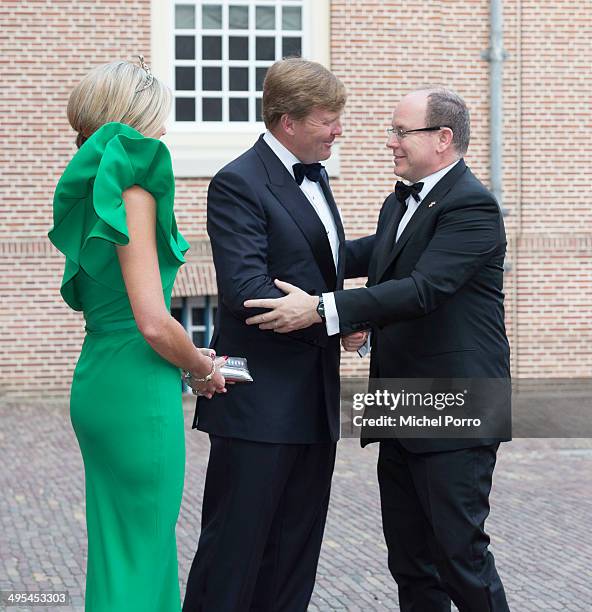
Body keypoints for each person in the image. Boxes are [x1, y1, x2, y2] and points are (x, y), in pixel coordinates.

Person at [244, 87, 511, 611]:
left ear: (443, 138)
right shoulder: (400, 200)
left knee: (460, 554)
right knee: (411, 561)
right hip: (400, 400)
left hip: (458, 400)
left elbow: (422, 290)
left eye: (400, 132)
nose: (390, 142)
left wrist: (324, 309)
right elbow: (359, 257)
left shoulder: (473, 206)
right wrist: (263, 250)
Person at [48, 58, 226, 612]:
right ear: (136, 117)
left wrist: (191, 355)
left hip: (99, 377)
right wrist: (201, 367)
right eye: (159, 116)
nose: (165, 130)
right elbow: (152, 322)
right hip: (138, 391)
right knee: (144, 549)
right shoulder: (133, 192)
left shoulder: (90, 191)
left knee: (119, 549)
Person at [183, 58, 346, 612]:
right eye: (328, 119)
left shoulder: (316, 174)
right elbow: (246, 288)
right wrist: (336, 312)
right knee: (234, 556)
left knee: (294, 559)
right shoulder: (238, 181)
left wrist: (409, 245)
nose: (337, 130)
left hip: (314, 403)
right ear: (287, 121)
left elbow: (326, 261)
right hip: (259, 407)